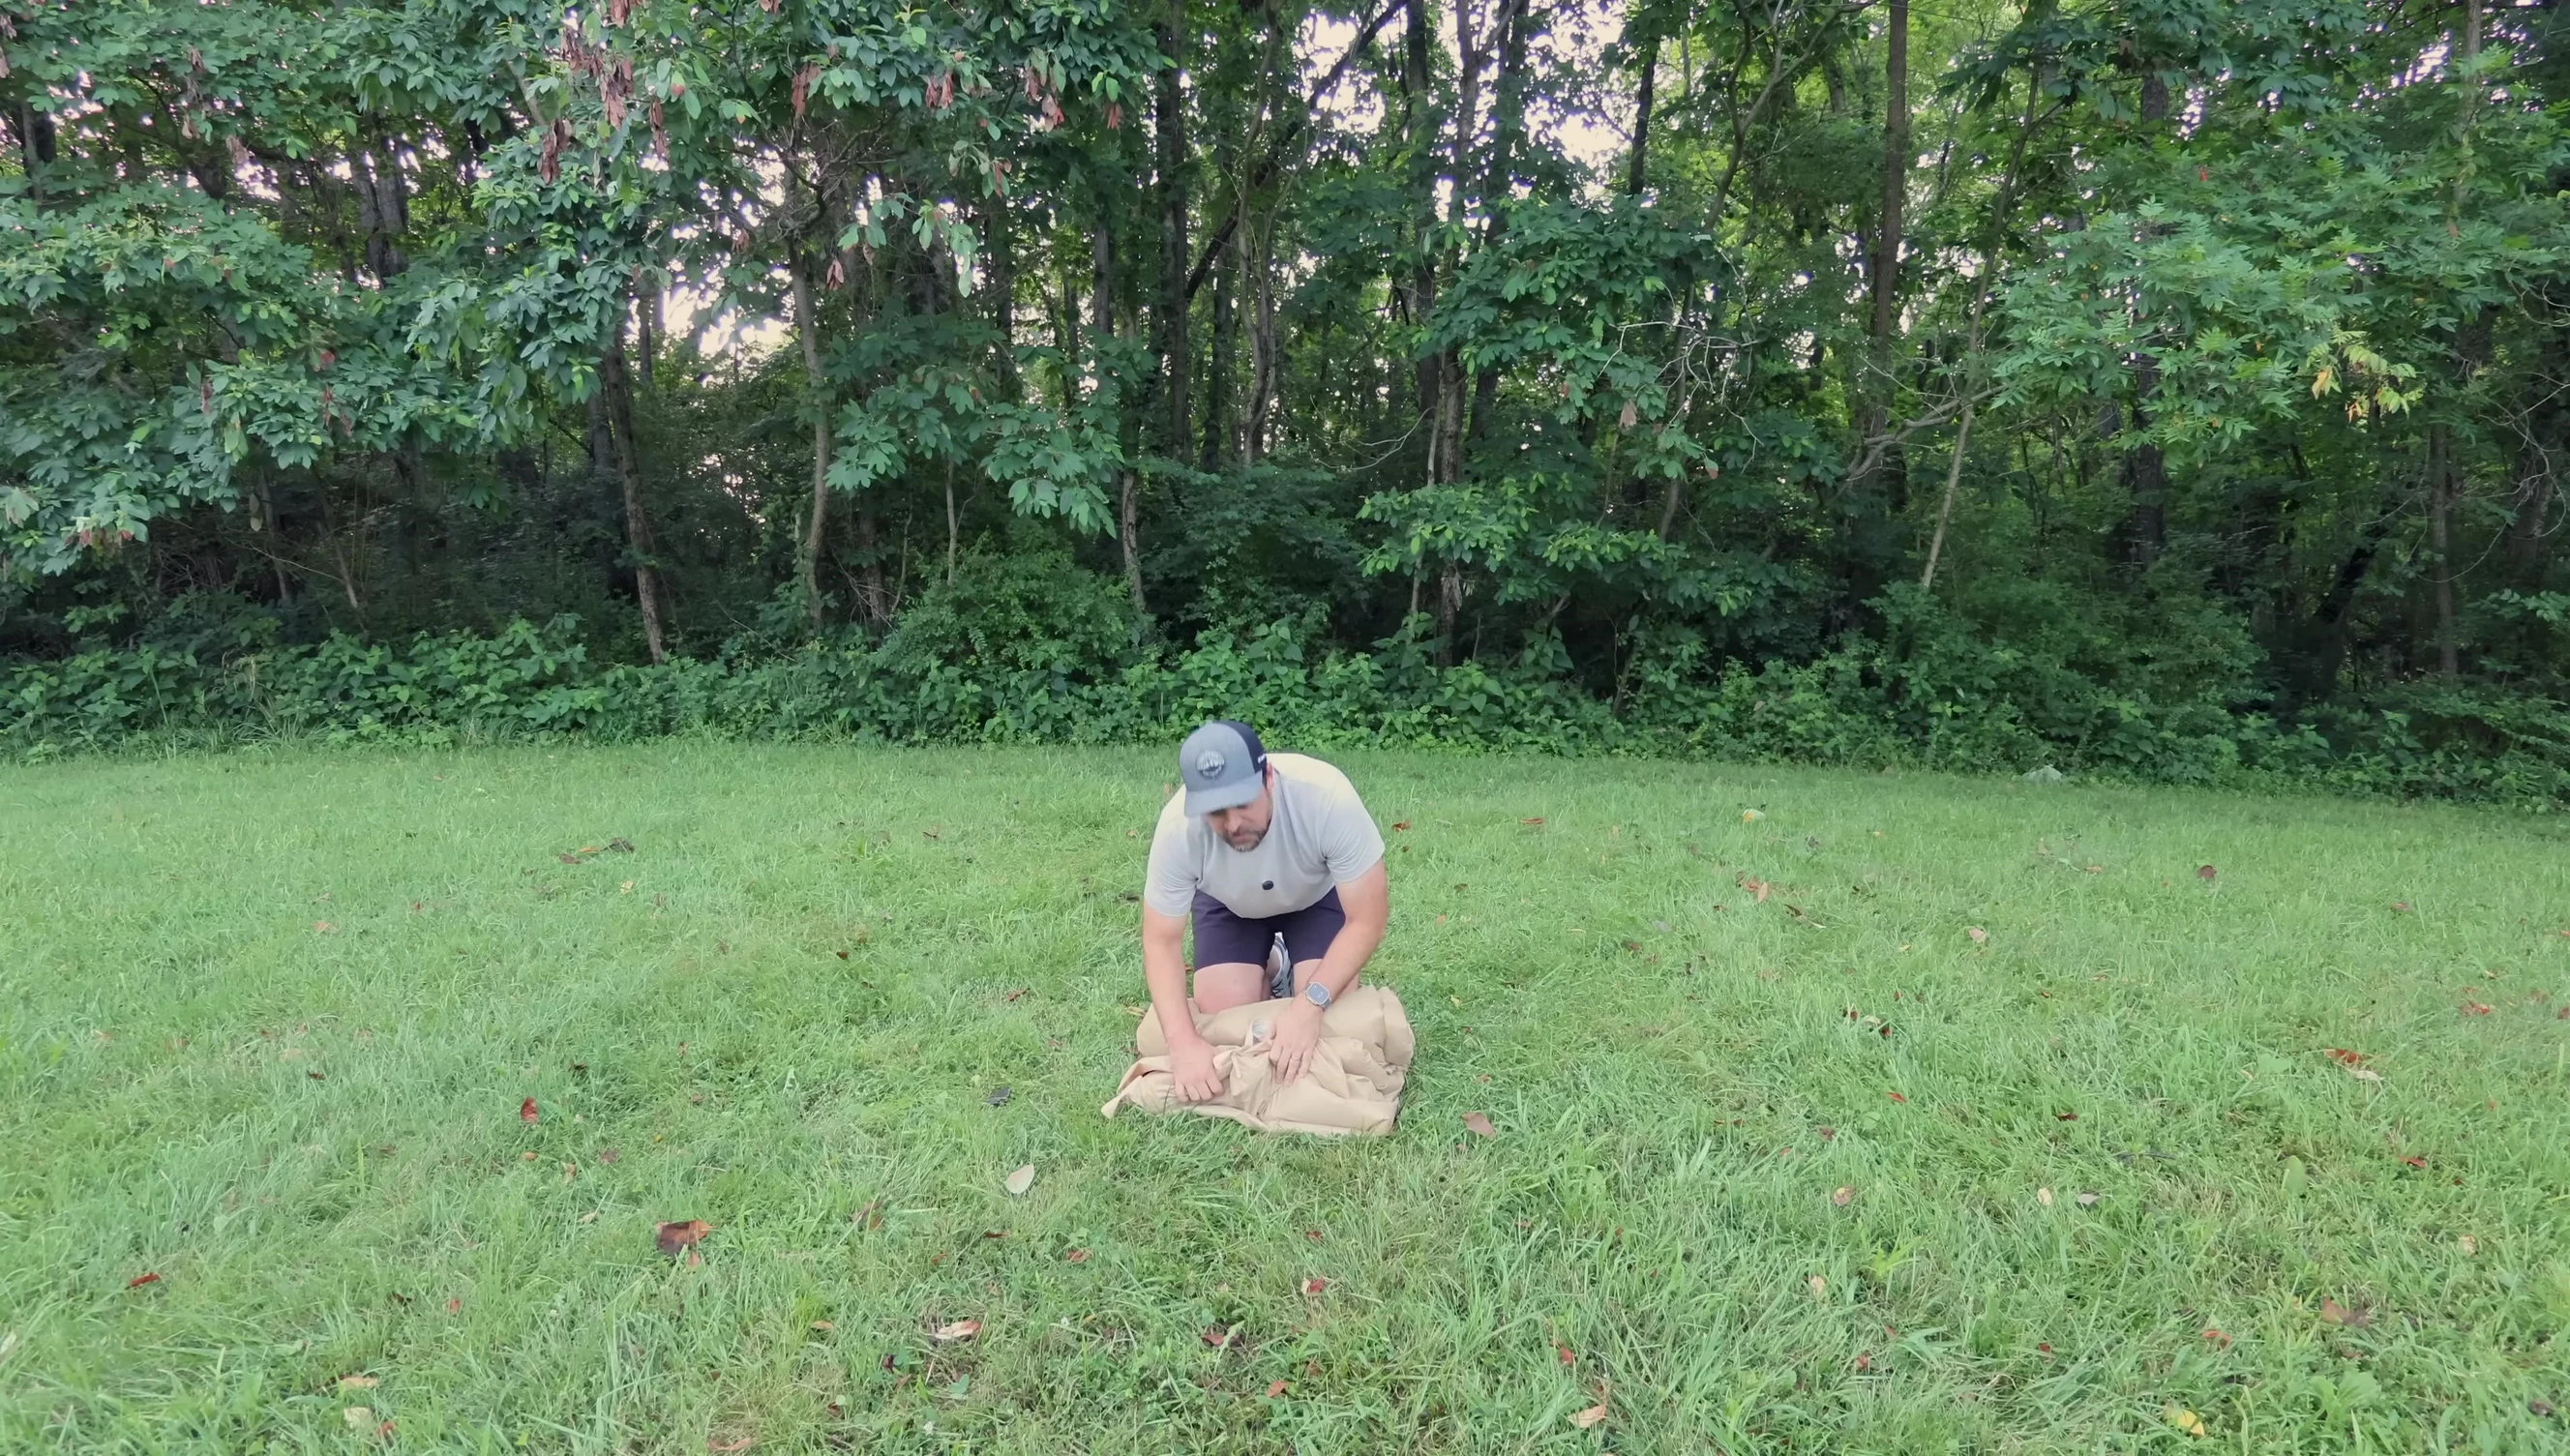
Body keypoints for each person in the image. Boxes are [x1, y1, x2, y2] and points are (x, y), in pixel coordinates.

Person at [1140, 721, 1390, 1101]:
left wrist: (1309, 1006)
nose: (1234, 823)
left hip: (1314, 900)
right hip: (1230, 905)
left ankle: (1295, 969)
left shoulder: (1326, 796)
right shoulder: (1178, 830)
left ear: (1268, 776)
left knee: (1331, 1015)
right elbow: (1160, 942)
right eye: (1216, 812)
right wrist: (1182, 1044)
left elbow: (1367, 920)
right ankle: (1273, 963)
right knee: (1223, 1017)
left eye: (1242, 802)